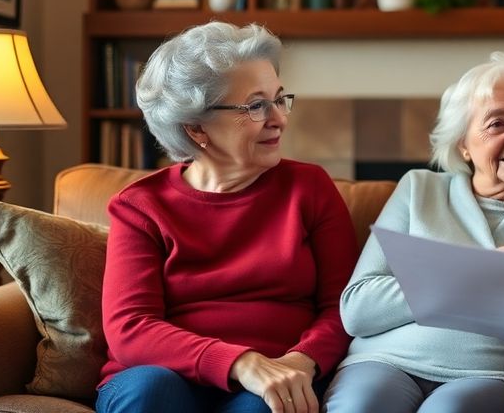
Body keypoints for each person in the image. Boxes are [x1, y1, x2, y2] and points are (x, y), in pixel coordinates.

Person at [98, 22, 358, 413]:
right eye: (255, 106)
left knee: (269, 407)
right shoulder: (141, 206)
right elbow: (130, 327)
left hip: (276, 376)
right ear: (196, 128)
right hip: (164, 377)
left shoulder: (310, 188)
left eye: (279, 99)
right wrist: (238, 362)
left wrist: (301, 361)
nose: (279, 119)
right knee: (149, 393)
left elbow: (343, 306)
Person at [323, 52, 504, 413]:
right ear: (463, 143)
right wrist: (475, 272)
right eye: (497, 124)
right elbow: (359, 308)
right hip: (384, 360)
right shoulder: (419, 190)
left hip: (491, 372)